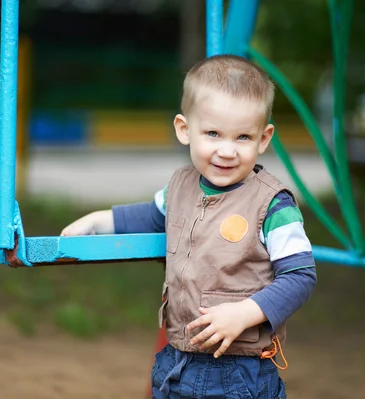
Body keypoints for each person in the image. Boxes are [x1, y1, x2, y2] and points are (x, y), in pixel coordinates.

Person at [61, 54, 317, 399]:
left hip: (240, 371)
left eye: (243, 137)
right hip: (177, 361)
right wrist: (97, 220)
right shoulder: (181, 187)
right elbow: (149, 217)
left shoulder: (273, 205)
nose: (227, 150)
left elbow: (300, 276)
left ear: (263, 138)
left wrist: (244, 313)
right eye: (213, 133)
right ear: (184, 129)